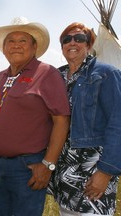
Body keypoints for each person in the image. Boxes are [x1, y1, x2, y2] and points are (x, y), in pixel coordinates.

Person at [0, 17, 71, 216]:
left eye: (23, 41)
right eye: (11, 41)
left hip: (27, 167)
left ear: (34, 47)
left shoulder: (46, 73)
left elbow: (61, 120)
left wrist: (48, 164)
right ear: (4, 48)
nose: (16, 45)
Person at [48, 22, 121, 216]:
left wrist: (106, 171)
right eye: (67, 39)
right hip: (64, 173)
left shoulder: (106, 74)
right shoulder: (55, 76)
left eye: (79, 38)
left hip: (94, 171)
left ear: (89, 45)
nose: (73, 42)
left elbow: (118, 123)